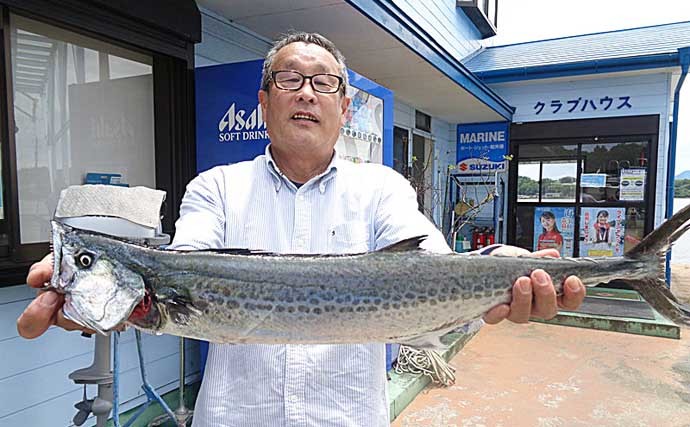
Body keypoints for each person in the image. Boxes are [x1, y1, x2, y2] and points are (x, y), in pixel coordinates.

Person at [18, 33, 586, 426]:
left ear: (345, 108)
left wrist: (517, 274)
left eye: (325, 83)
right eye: (289, 80)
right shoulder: (214, 188)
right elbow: (182, 268)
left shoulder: (382, 188)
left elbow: (434, 265)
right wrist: (93, 297)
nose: (307, 93)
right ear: (264, 103)